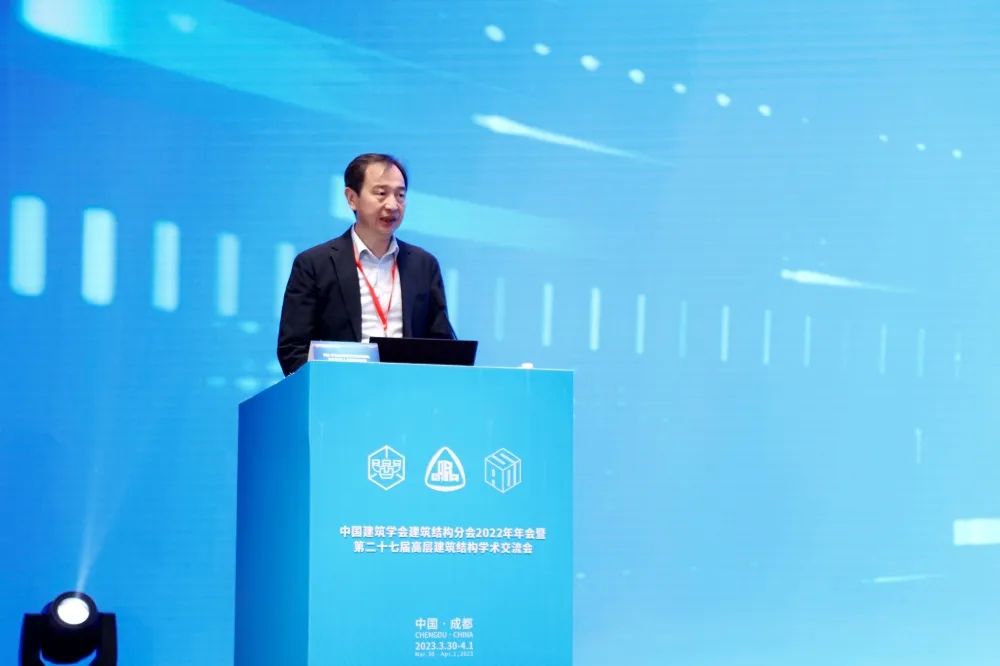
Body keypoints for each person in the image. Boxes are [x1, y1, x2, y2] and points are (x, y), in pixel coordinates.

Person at [277, 153, 455, 375]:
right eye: (381, 193)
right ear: (352, 198)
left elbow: (443, 346)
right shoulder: (314, 264)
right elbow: (293, 350)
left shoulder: (424, 265)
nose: (392, 205)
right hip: (340, 390)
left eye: (400, 195)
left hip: (409, 389)